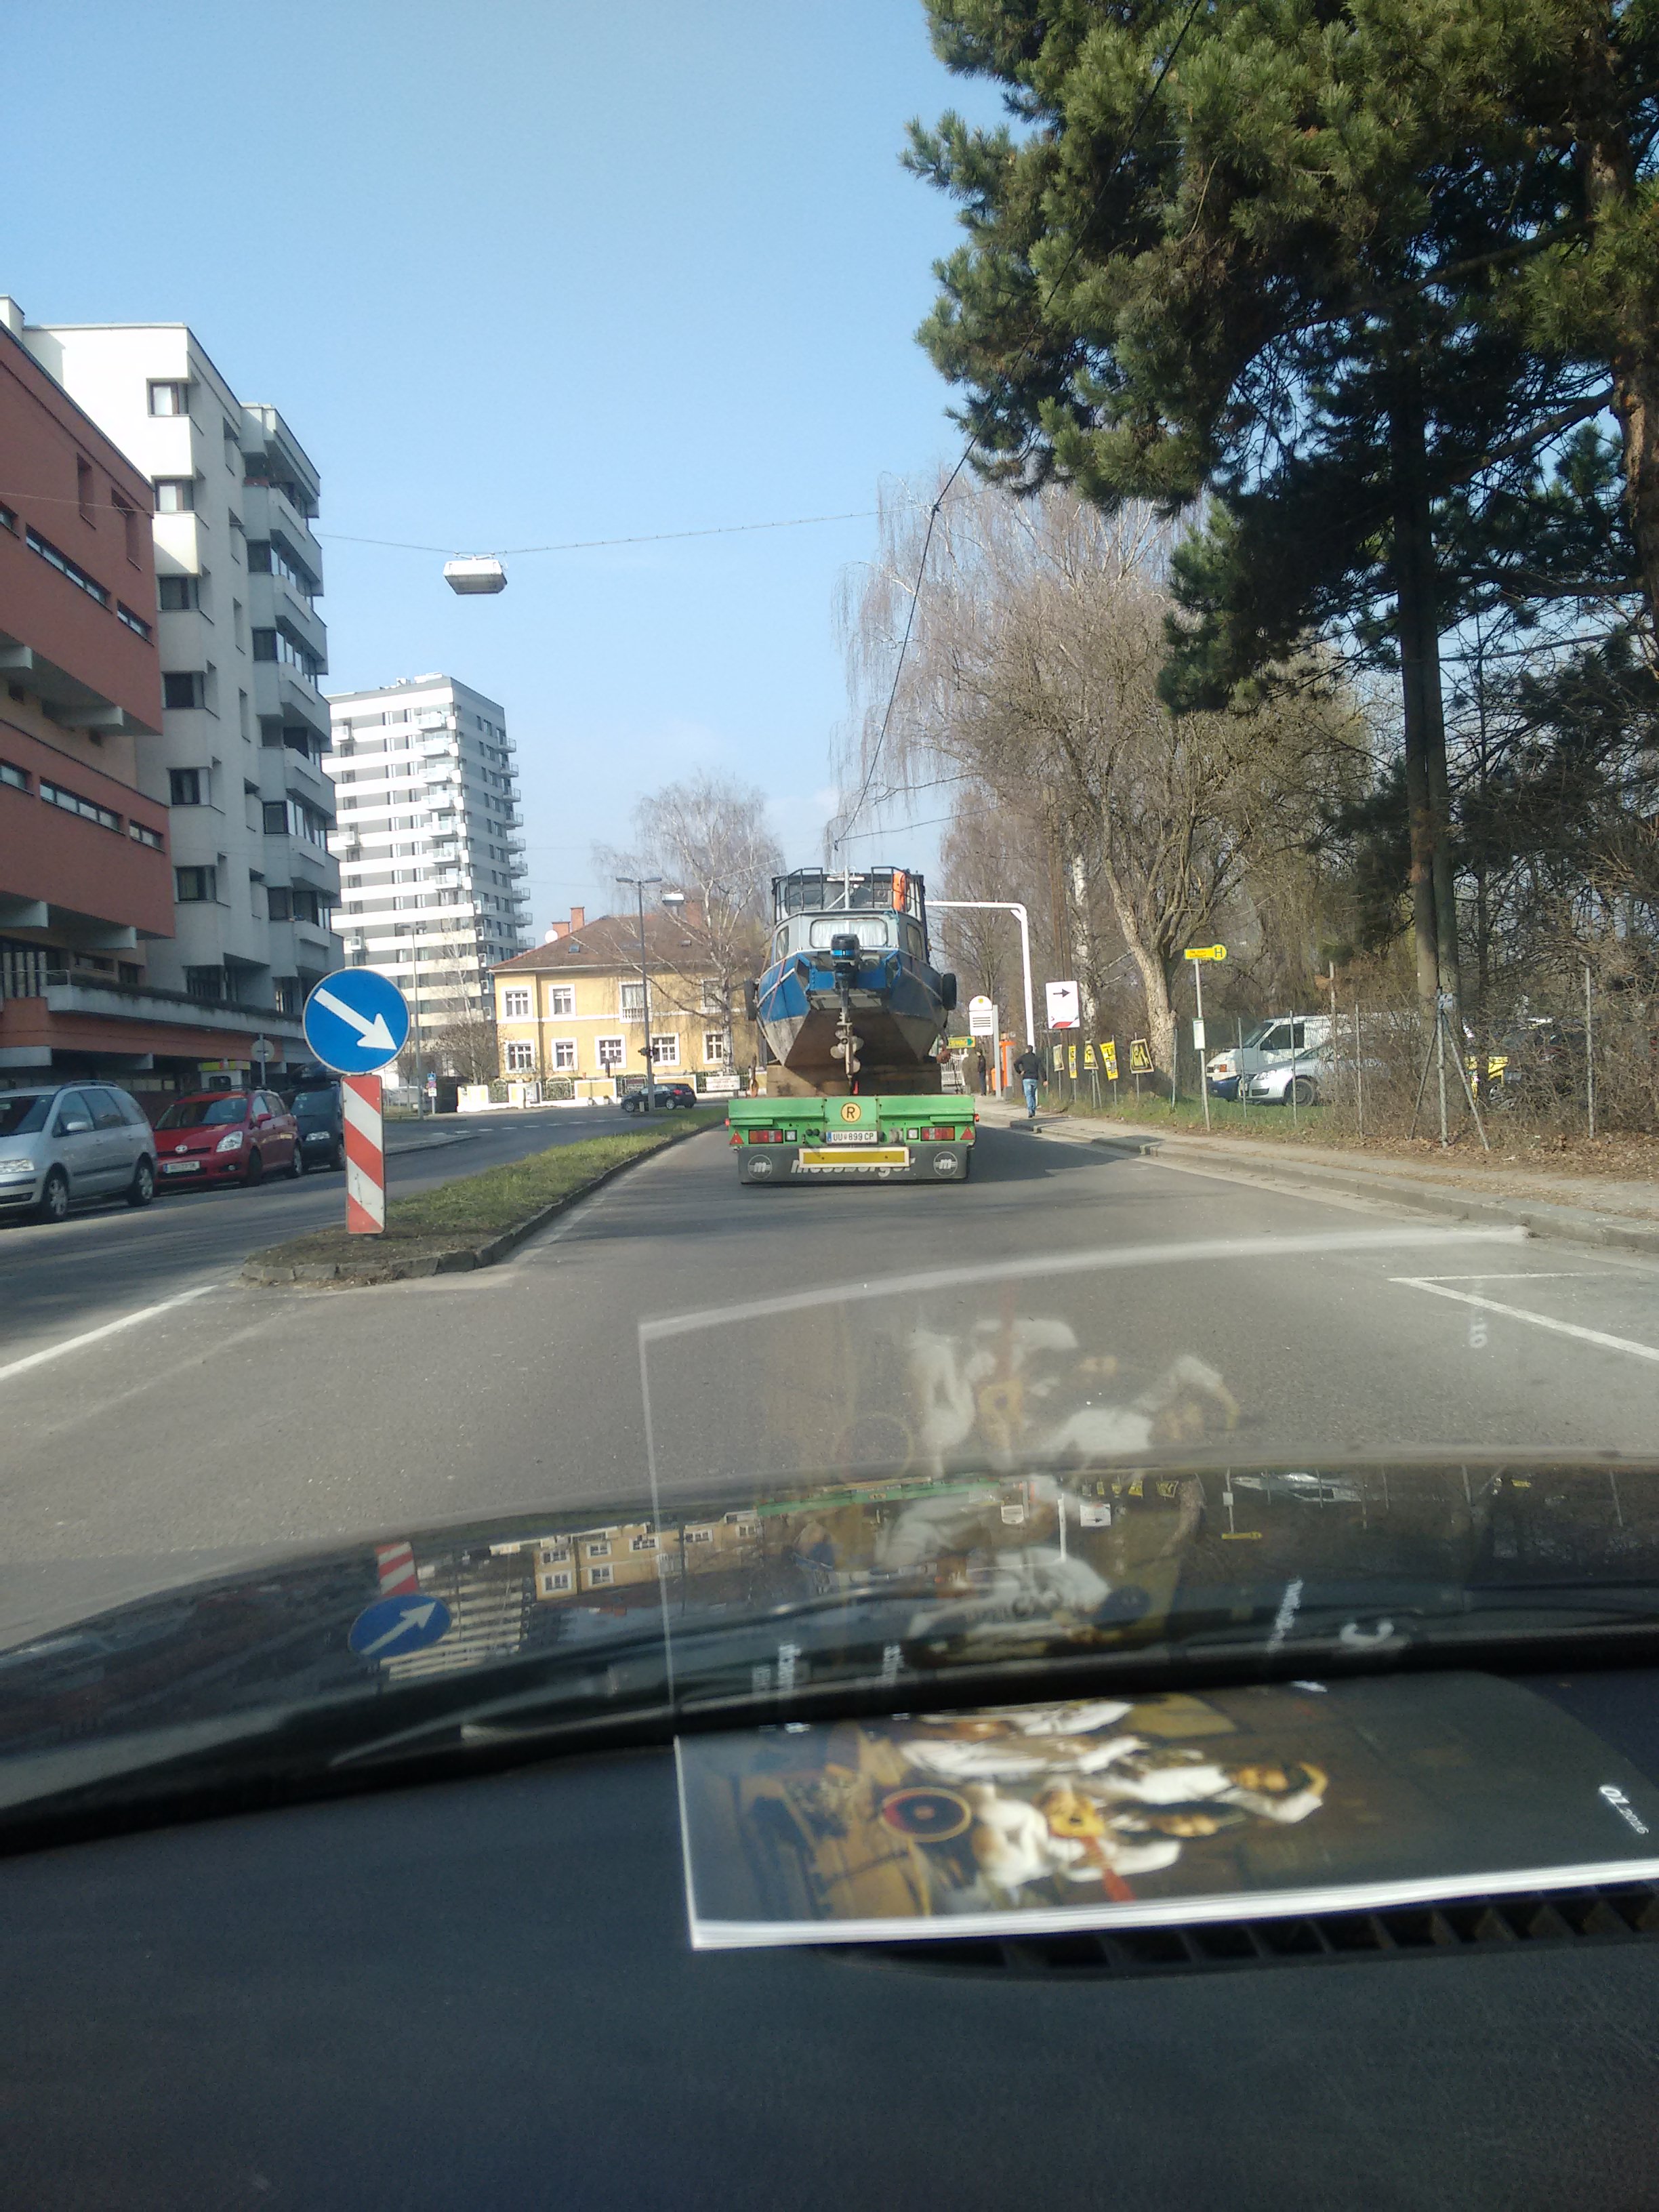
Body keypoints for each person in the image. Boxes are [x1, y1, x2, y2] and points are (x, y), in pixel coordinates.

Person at [1012, 1044, 1042, 1118]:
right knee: (1033, 1095)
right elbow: (1041, 1069)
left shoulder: (1023, 1057)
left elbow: (1016, 1063)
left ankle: (1030, 1110)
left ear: (1026, 1050)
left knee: (1028, 1095)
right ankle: (1033, 1109)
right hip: (1035, 1078)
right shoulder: (1036, 1058)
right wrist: (1045, 1079)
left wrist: (1019, 1072)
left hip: (1027, 1078)